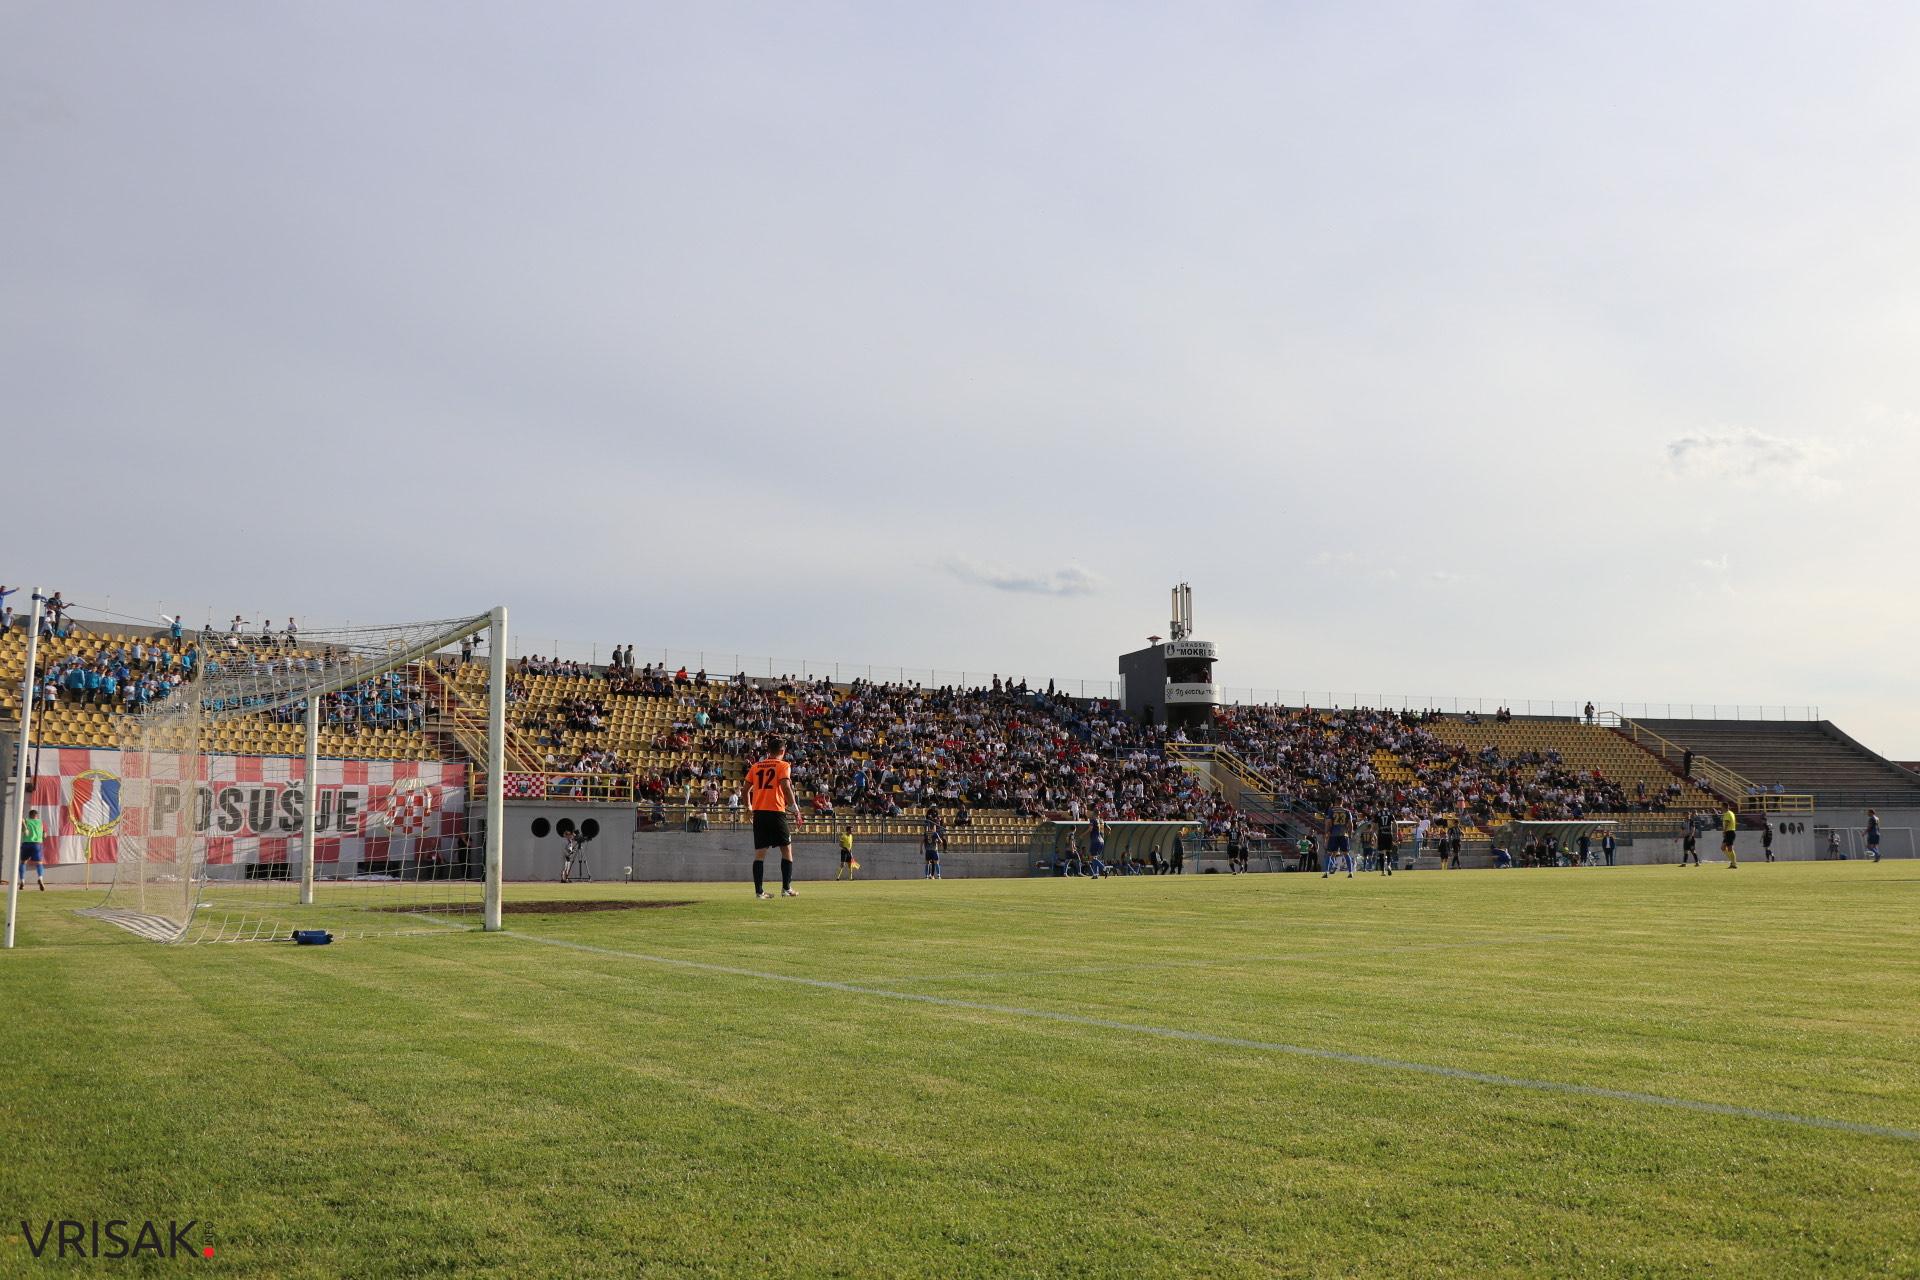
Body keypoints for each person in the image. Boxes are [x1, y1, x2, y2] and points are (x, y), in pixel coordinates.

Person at [745, 737, 802, 899]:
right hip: (776, 812)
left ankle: (759, 892)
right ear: (783, 751)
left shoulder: (756, 766)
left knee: (760, 854)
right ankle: (786, 888)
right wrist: (795, 808)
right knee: (786, 850)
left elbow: (745, 790)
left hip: (759, 814)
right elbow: (785, 785)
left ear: (768, 751)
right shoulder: (784, 765)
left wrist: (748, 807)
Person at [18, 809, 46, 891]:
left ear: (29, 815)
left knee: (23, 862)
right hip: (36, 844)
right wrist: (42, 837)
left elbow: (24, 830)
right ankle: (40, 878)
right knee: (39, 863)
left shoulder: (26, 821)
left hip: (26, 843)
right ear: (36, 816)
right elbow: (45, 835)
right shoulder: (41, 822)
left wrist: (23, 823)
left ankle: (22, 880)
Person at [922, 808, 946, 879]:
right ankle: (938, 875)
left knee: (927, 863)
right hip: (934, 850)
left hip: (927, 850)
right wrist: (939, 842)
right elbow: (940, 841)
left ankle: (926, 876)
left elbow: (922, 841)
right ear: (934, 827)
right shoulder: (935, 833)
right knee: (936, 862)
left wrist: (921, 848)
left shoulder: (926, 833)